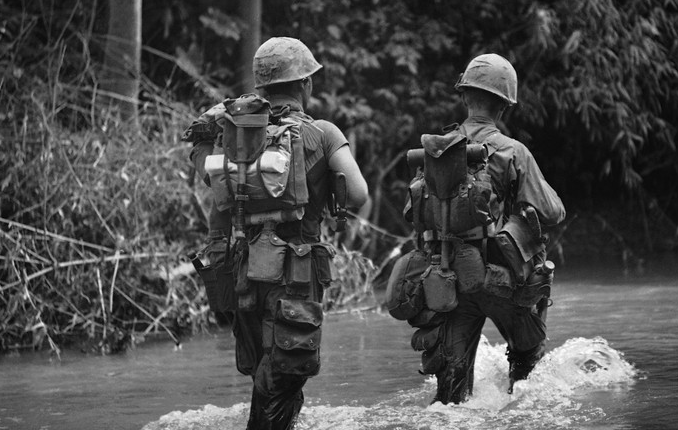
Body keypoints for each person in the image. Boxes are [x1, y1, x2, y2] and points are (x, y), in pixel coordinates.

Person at [183, 37, 368, 429]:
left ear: (261, 87)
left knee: (268, 374)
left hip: (243, 274)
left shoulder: (230, 139)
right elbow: (359, 193)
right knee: (283, 374)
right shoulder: (322, 132)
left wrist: (217, 123)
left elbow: (200, 158)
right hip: (296, 275)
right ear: (305, 85)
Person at [404, 53, 566, 404]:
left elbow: (411, 211)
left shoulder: (437, 150)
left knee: (450, 398)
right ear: (505, 107)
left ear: (463, 97)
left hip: (449, 283)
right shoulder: (514, 151)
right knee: (528, 368)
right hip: (504, 281)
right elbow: (554, 212)